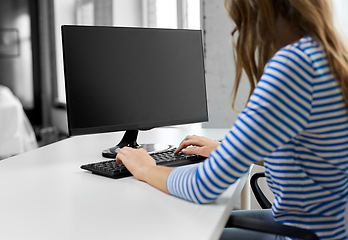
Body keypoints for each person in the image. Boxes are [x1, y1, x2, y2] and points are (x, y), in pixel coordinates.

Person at [115, 0, 348, 239]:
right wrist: (227, 150)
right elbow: (307, 156)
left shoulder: (293, 66)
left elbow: (202, 186)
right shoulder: (326, 56)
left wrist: (146, 168)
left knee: (170, 230)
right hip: (321, 227)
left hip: (301, 234)